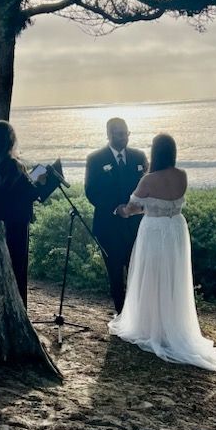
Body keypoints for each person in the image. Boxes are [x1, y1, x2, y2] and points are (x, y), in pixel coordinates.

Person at [109, 133, 216, 372]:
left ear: (155, 152)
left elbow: (135, 207)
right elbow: (169, 203)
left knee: (151, 275)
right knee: (173, 276)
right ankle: (172, 325)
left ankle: (151, 326)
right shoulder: (182, 175)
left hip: (154, 231)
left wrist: (121, 211)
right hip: (176, 229)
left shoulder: (148, 180)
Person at [85, 117, 148, 314]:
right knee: (115, 274)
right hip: (108, 226)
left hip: (135, 225)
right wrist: (115, 208)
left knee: (136, 271)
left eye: (126, 133)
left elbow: (147, 185)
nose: (124, 138)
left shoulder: (139, 156)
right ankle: (121, 314)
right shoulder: (95, 159)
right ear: (109, 134)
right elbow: (91, 191)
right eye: (120, 134)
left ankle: (136, 315)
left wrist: (140, 206)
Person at [0, 120, 45, 306]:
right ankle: (18, 309)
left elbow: (3, 193)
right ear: (11, 141)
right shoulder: (13, 165)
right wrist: (39, 182)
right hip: (16, 225)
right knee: (17, 268)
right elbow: (29, 194)